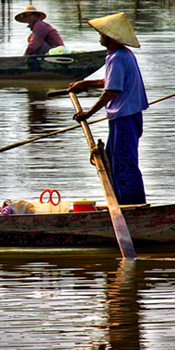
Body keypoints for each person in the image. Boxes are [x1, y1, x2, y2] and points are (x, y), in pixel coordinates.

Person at [68, 12, 148, 206]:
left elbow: (111, 90)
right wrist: (85, 84)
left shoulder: (117, 58)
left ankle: (133, 205)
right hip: (128, 116)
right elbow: (110, 81)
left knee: (123, 162)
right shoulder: (121, 55)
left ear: (111, 38)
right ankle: (123, 202)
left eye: (102, 34)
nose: (100, 37)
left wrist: (88, 113)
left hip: (125, 117)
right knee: (114, 159)